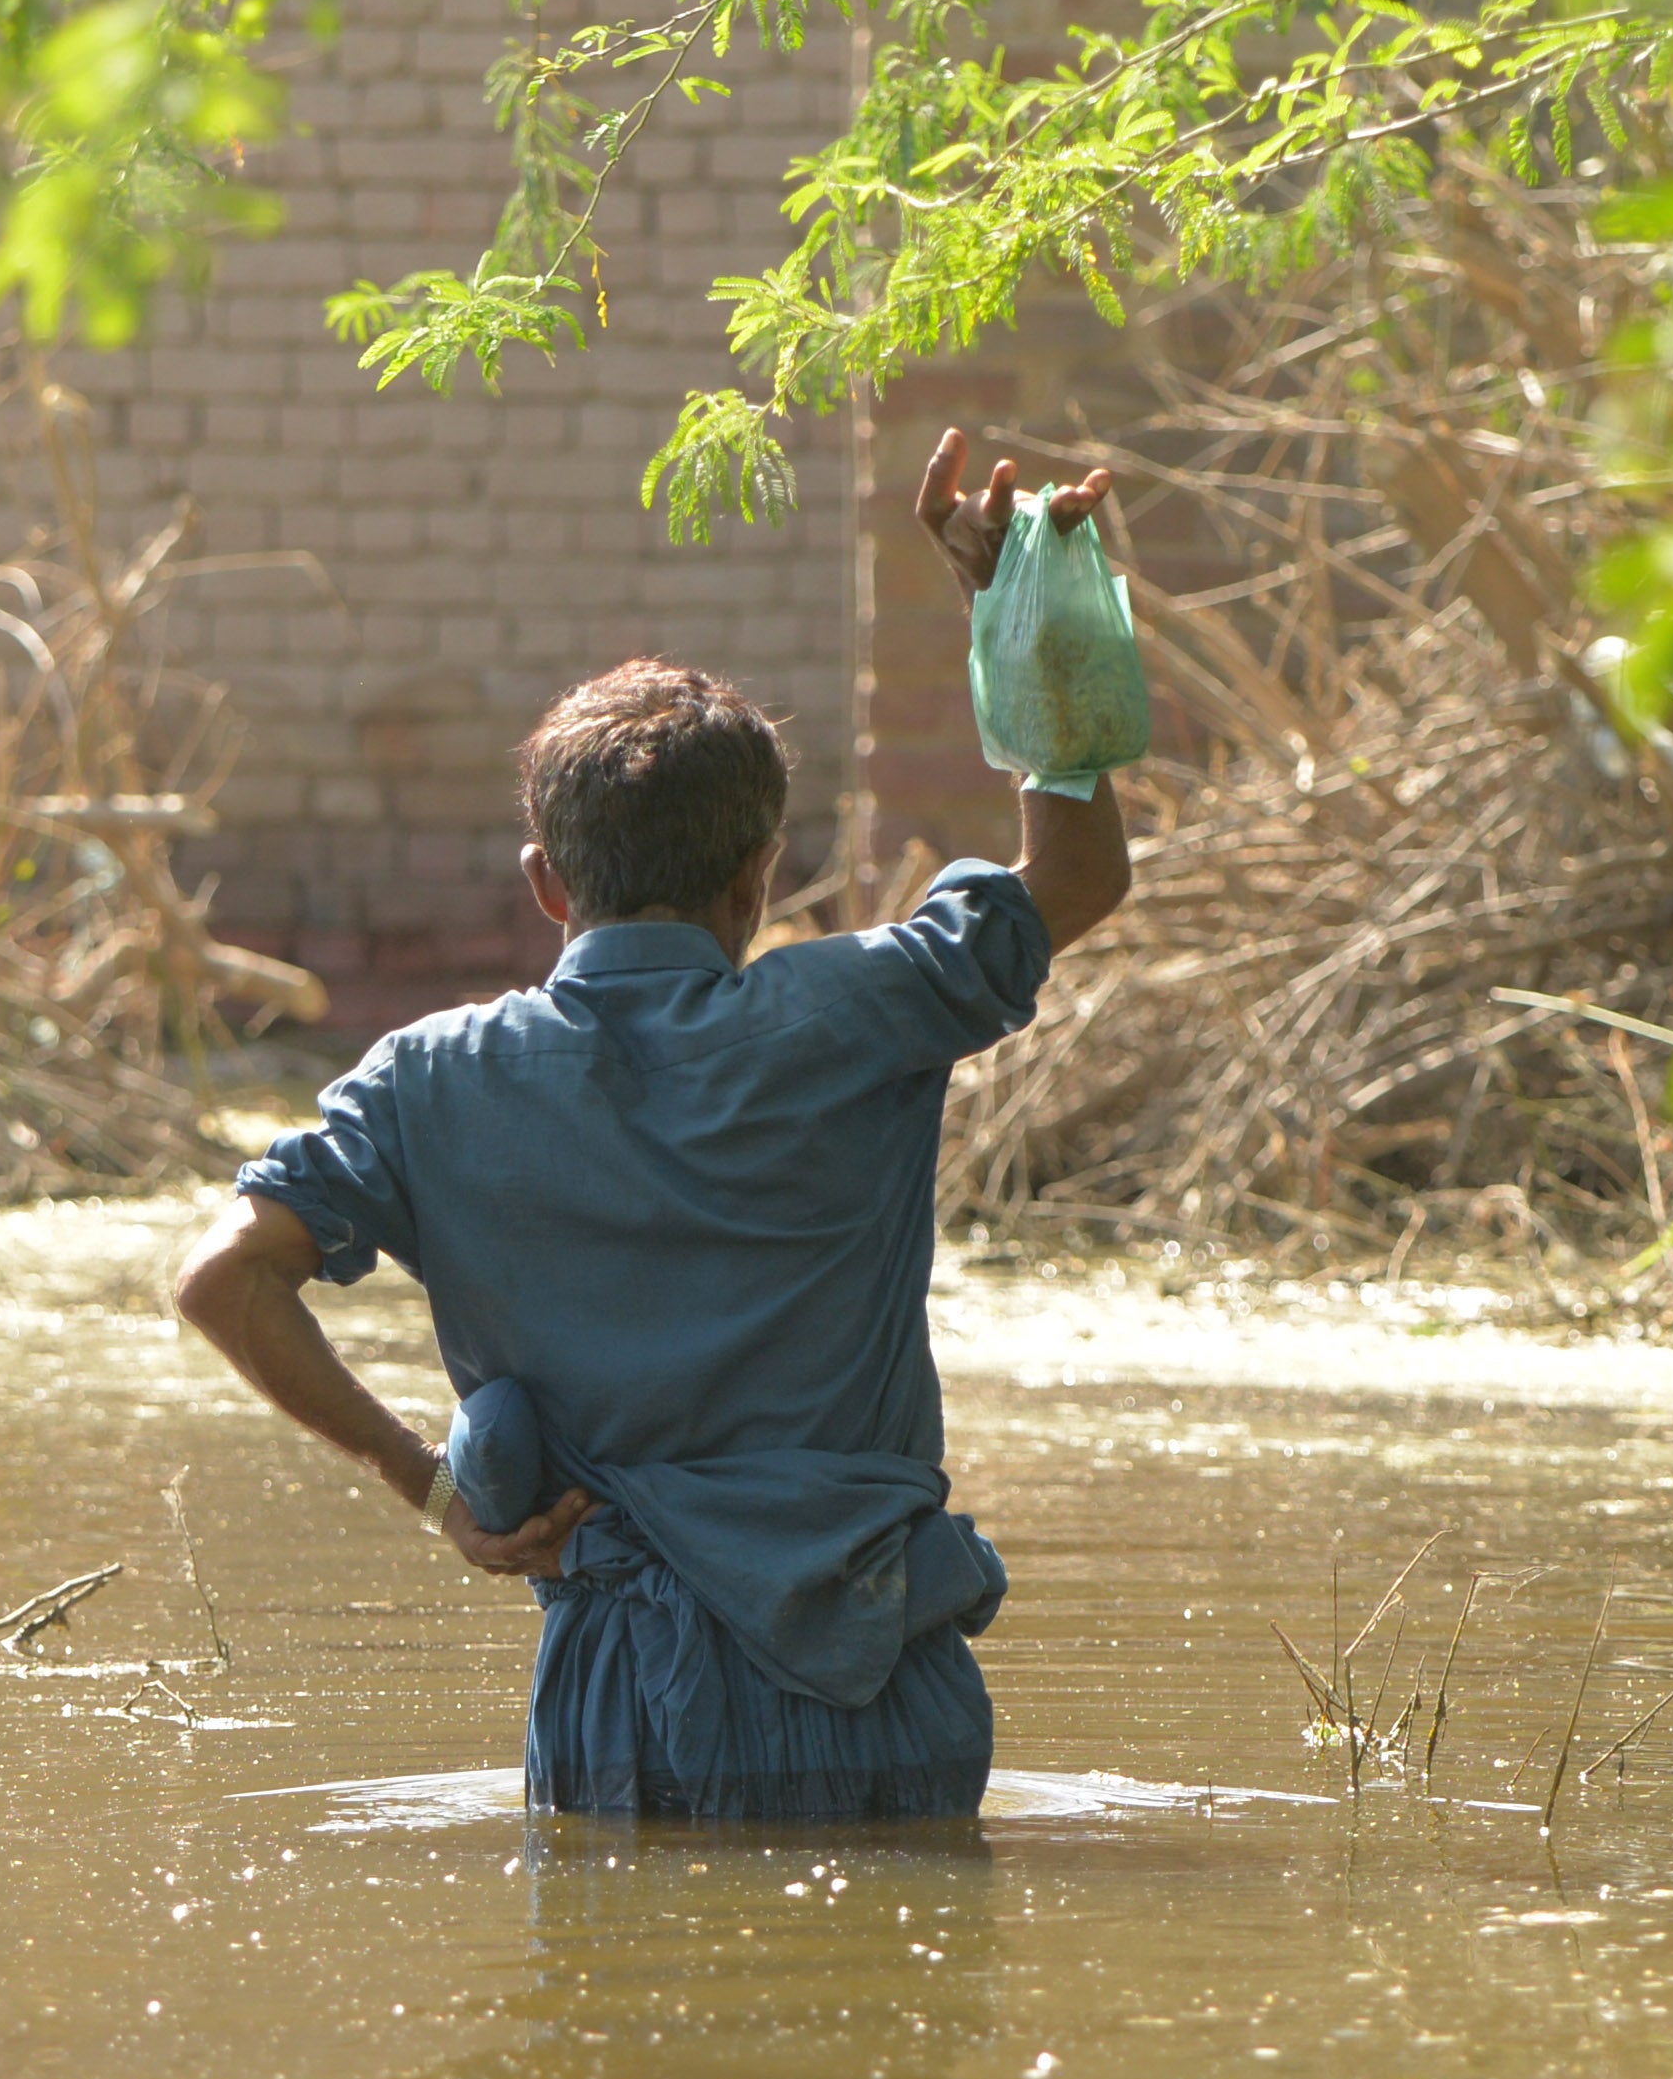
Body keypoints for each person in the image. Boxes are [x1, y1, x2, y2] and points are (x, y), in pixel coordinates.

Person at [170, 432, 1135, 1818]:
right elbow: (1083, 869)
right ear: (760, 876)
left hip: (616, 1702)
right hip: (878, 1687)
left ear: (547, 884)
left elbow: (220, 1282)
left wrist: (431, 1491)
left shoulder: (430, 1080)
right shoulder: (860, 1010)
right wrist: (1023, 605)